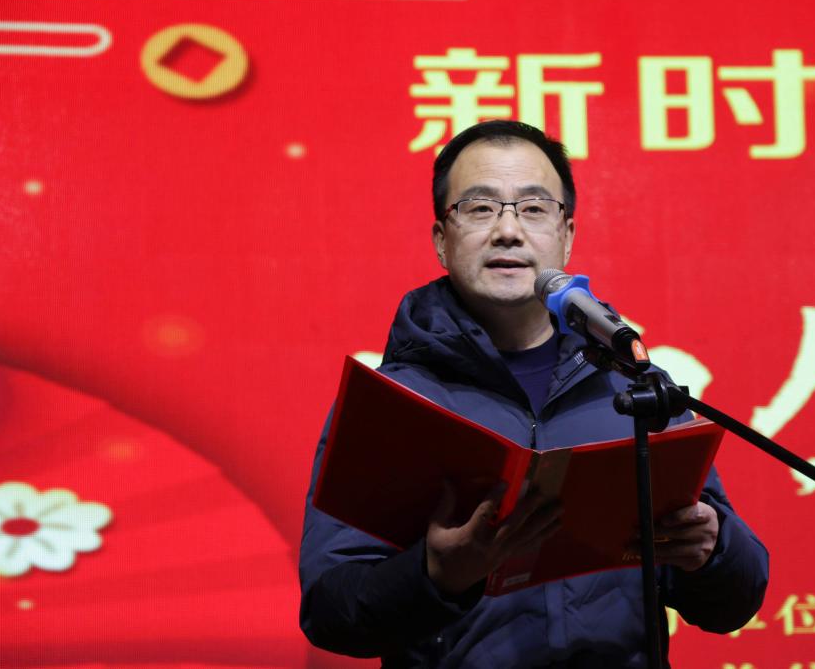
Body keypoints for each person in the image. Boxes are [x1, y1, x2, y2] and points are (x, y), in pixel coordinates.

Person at [299, 120, 768, 668]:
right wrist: (435, 575)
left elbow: (735, 602)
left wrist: (713, 549)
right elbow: (330, 611)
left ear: (566, 235)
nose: (508, 230)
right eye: (480, 208)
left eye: (533, 208)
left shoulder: (635, 387)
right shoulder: (394, 406)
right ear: (441, 241)